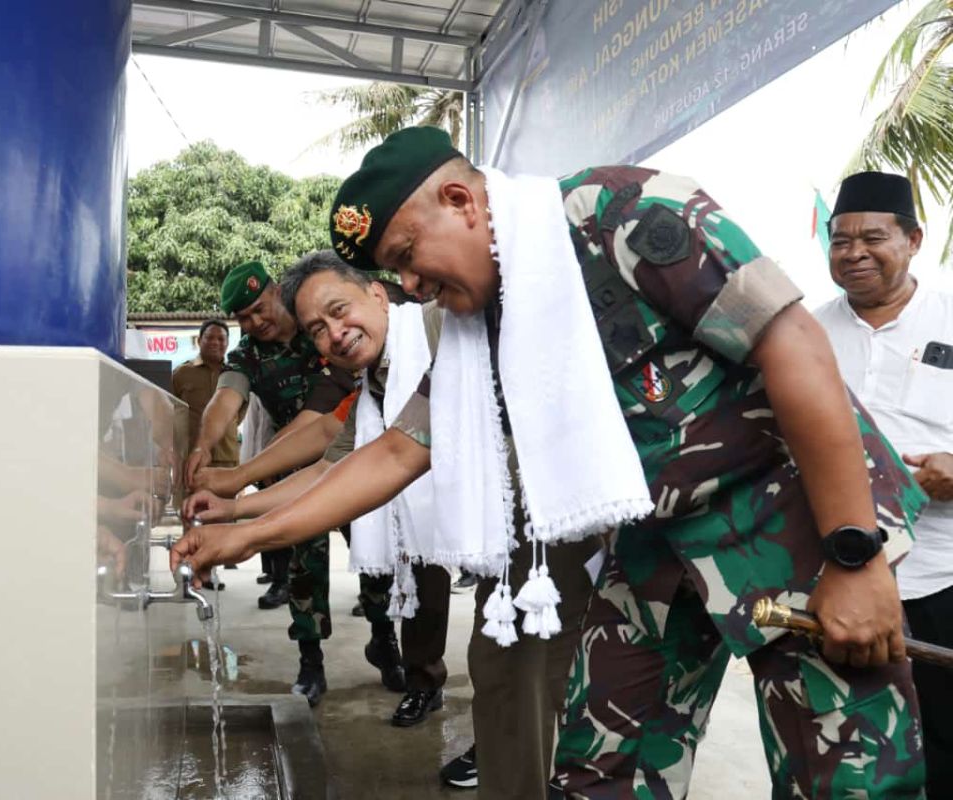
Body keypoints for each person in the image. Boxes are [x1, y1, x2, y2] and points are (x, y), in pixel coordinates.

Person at [173, 127, 929, 799]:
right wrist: (243, 536)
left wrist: (855, 556)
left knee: (844, 775)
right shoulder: (483, 323)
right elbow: (401, 449)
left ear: (463, 200)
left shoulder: (623, 214)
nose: (408, 286)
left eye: (406, 256)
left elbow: (791, 343)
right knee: (600, 766)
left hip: (797, 523)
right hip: (655, 539)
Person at [187, 251, 453, 727]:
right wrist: (234, 506)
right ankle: (315, 661)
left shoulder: (436, 330)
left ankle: (396, 654)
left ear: (377, 294)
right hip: (364, 476)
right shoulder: (366, 377)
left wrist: (239, 492)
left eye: (338, 311)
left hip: (496, 508)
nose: (333, 334)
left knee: (398, 580)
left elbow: (347, 442)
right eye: (318, 328)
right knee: (314, 570)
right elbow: (326, 457)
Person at [814, 170, 953, 798]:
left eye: (873, 237)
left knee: (943, 744)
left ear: (914, 240)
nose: (854, 253)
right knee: (836, 745)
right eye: (840, 240)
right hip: (838, 576)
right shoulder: (807, 333)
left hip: (941, 577)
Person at [185, 260, 372, 706]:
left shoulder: (322, 325)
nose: (255, 322)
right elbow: (225, 398)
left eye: (258, 308)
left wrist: (240, 477)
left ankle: (386, 641)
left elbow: (325, 424)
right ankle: (311, 662)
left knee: (376, 559)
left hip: (359, 456)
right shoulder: (248, 354)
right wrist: (204, 446)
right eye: (243, 319)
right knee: (304, 568)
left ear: (274, 290)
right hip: (293, 470)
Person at [172, 319, 241, 469]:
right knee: (190, 493)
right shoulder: (181, 374)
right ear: (199, 341)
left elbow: (239, 413)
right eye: (209, 337)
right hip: (191, 458)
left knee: (225, 493)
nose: (215, 342)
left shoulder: (235, 374)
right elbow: (172, 410)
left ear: (227, 343)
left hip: (226, 458)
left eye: (221, 339)